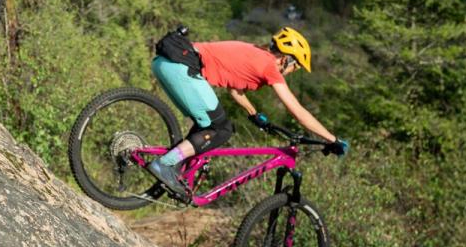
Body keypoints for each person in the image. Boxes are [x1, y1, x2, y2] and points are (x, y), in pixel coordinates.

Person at [144, 26, 348, 200]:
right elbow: (298, 112)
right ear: (287, 59)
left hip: (166, 63)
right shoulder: (270, 66)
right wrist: (331, 139)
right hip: (182, 68)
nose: (293, 71)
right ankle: (165, 164)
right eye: (296, 67)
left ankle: (175, 171)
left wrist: (253, 113)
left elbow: (235, 88)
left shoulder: (254, 51)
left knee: (208, 124)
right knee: (221, 129)